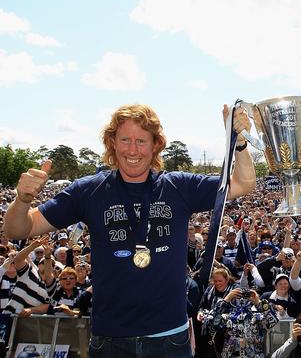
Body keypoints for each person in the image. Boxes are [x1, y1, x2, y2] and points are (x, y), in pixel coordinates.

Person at [2, 103, 256, 357]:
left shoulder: (178, 187)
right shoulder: (88, 190)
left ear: (156, 144)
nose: (132, 150)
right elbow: (18, 229)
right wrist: (22, 200)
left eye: (141, 141)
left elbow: (242, 184)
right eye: (124, 140)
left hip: (170, 338)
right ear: (112, 142)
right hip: (111, 340)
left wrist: (239, 142)